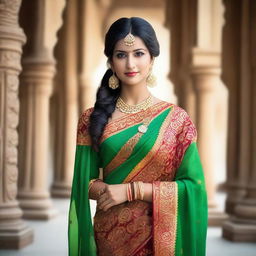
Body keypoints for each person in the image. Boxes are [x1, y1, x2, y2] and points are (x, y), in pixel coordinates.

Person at [68, 17, 208, 256]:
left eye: (139, 54)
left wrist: (131, 191)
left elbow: (194, 188)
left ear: (152, 59)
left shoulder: (177, 120)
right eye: (121, 55)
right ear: (111, 62)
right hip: (110, 238)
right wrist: (105, 191)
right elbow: (84, 183)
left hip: (159, 240)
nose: (130, 63)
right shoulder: (92, 118)